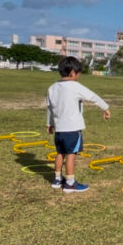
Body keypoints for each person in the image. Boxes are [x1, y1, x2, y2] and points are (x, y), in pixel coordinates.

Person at [46, 56, 110, 193]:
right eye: (79, 73)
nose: (79, 76)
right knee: (71, 155)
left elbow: (49, 108)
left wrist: (49, 124)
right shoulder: (75, 86)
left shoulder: (52, 88)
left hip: (59, 130)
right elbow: (93, 96)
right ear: (72, 73)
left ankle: (57, 179)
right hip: (72, 129)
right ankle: (70, 183)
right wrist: (105, 107)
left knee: (59, 153)